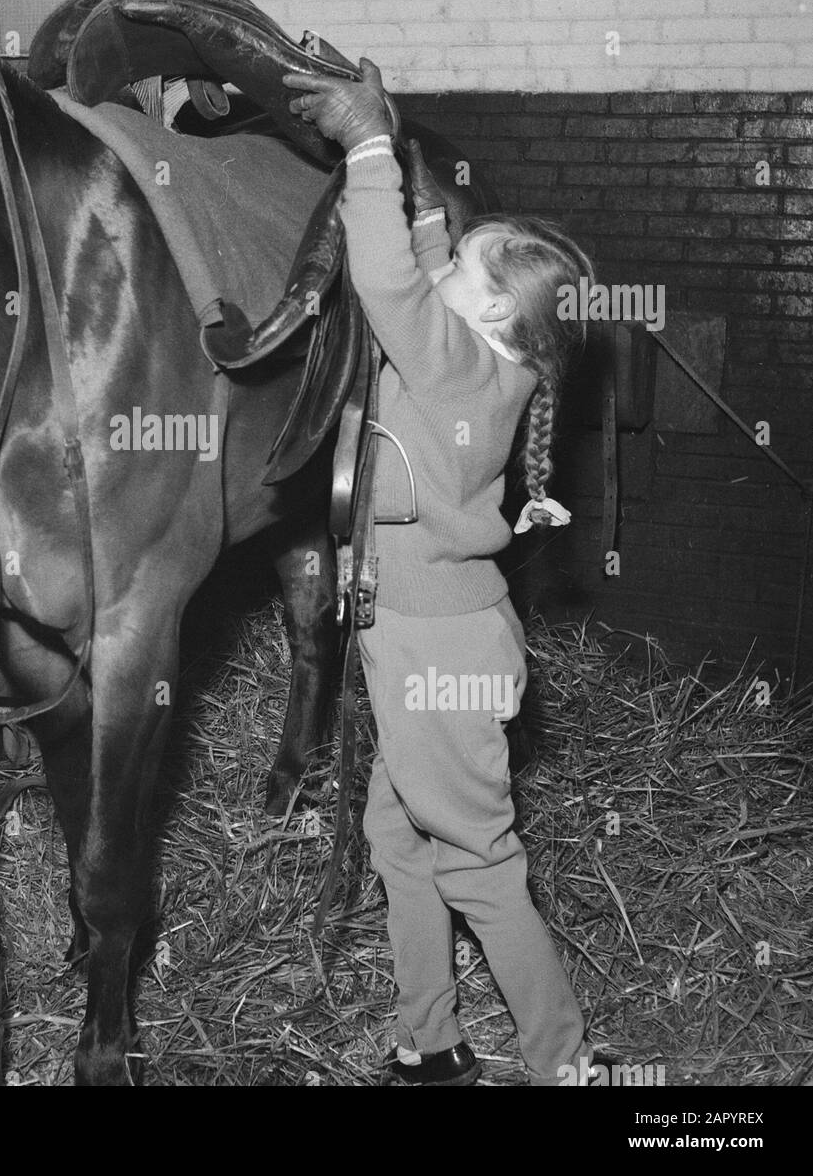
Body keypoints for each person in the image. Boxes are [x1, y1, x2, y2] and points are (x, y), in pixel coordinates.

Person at [283, 59, 604, 1087]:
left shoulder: (468, 367)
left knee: (478, 860)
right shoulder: (482, 361)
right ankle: (428, 1040)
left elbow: (388, 291)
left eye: (462, 263)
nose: (443, 268)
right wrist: (423, 203)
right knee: (397, 827)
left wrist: (369, 152)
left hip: (436, 652)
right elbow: (420, 284)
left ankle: (566, 1062)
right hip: (425, 638)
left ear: (499, 317)